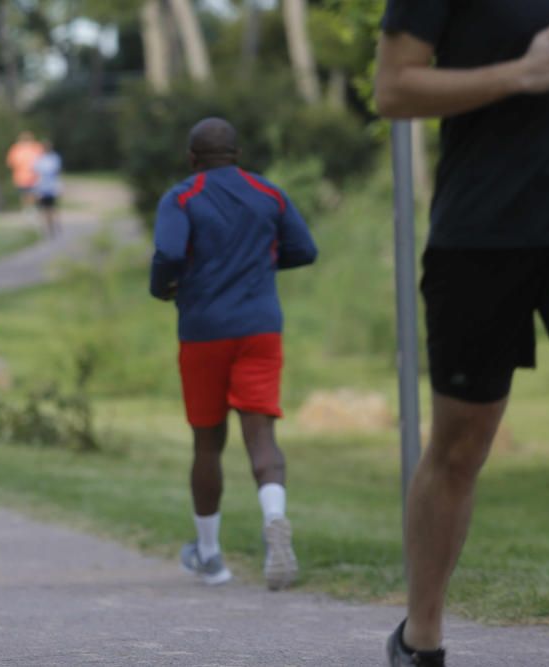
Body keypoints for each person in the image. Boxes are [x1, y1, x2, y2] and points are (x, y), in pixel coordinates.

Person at [375, 4, 549, 666]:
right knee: (459, 446)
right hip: (484, 233)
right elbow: (393, 88)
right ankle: (421, 639)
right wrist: (523, 72)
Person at [150, 118, 317, 590]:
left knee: (208, 443)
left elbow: (167, 253)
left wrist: (163, 289)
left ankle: (210, 556)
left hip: (203, 331)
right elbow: (304, 249)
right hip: (261, 328)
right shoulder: (269, 194)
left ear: (192, 158)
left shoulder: (181, 196)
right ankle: (275, 519)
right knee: (262, 437)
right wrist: (259, 261)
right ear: (237, 154)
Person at [5, 130, 43, 208]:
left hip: (35, 177)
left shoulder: (36, 147)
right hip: (21, 177)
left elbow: (43, 161)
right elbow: (10, 162)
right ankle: (29, 210)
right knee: (25, 195)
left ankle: (33, 209)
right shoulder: (16, 149)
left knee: (34, 195)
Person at [32, 140, 62, 238]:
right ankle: (48, 227)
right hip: (43, 187)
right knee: (45, 209)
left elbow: (57, 172)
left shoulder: (53, 158)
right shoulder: (40, 159)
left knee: (50, 208)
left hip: (49, 187)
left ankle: (52, 226)